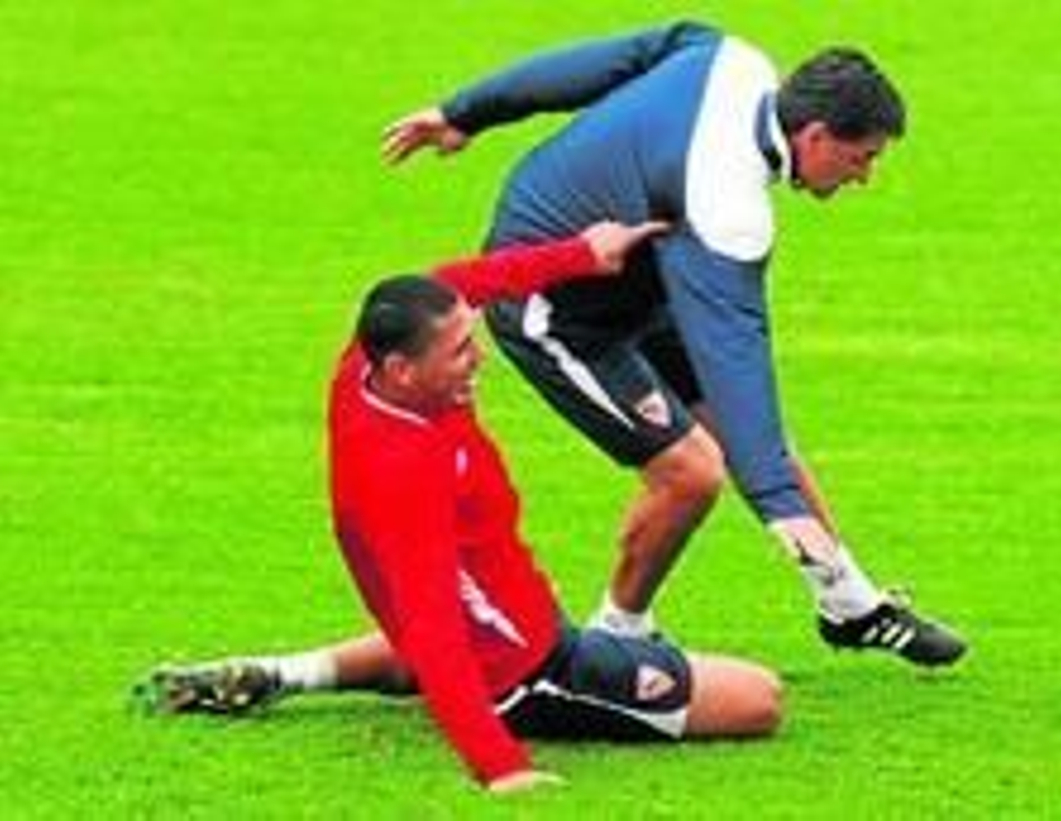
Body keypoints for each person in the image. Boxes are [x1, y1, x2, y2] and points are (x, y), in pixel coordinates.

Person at [379, 20, 966, 665]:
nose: (864, 177)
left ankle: (848, 606)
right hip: (551, 304)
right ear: (816, 136)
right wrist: (777, 507)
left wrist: (468, 112)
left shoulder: (728, 59)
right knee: (690, 472)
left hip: (641, 272)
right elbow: (736, 358)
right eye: (863, 158)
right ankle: (617, 636)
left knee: (762, 443)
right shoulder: (730, 209)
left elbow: (592, 62)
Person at [136, 222, 782, 793]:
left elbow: (461, 281)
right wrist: (500, 765)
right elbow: (434, 626)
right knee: (759, 698)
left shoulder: (366, 365)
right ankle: (500, 700)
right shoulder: (404, 468)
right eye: (460, 353)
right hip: (529, 668)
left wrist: (581, 253)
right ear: (401, 370)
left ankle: (285, 671)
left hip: (498, 610)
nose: (479, 361)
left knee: (433, 638)